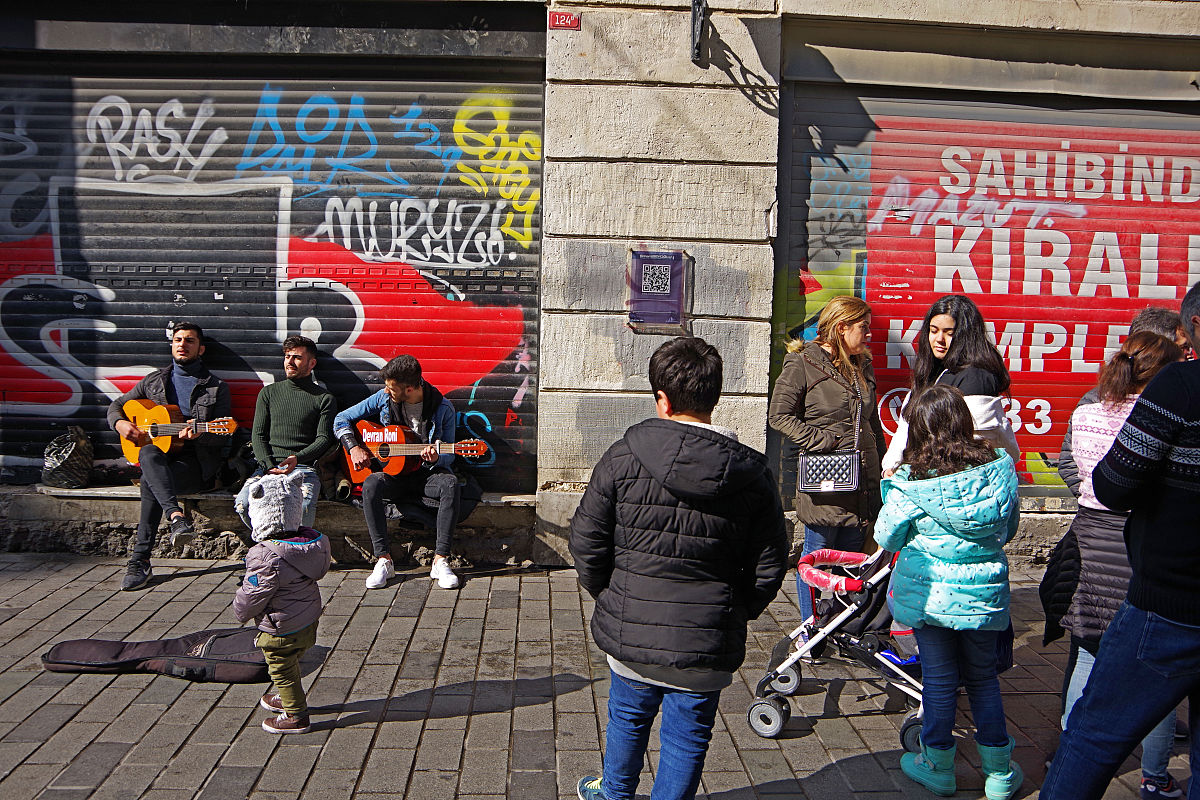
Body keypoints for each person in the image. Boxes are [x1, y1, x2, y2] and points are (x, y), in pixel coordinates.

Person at [570, 336, 788, 800]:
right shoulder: (751, 475)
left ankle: (613, 794)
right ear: (715, 396)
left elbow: (587, 542)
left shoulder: (622, 457)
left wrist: (614, 596)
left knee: (626, 721)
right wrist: (731, 611)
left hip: (632, 636)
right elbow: (769, 564)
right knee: (688, 739)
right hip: (705, 643)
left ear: (662, 400)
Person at [1042, 283, 1200, 800]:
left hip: (1168, 595)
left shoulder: (1180, 388)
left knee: (1101, 722)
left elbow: (1110, 483)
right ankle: (1156, 777)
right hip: (1143, 574)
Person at [874, 384, 1022, 800]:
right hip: (983, 596)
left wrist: (891, 493)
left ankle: (937, 766)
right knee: (983, 680)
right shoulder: (1000, 467)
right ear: (962, 420)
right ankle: (999, 774)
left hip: (931, 598)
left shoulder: (909, 481)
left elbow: (886, 535)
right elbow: (1007, 530)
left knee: (938, 682)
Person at [767, 295, 885, 628]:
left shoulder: (862, 364)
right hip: (826, 477)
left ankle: (838, 627)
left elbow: (870, 422)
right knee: (817, 558)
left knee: (852, 557)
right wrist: (824, 442)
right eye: (863, 328)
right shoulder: (803, 362)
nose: (868, 335)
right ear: (841, 327)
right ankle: (810, 629)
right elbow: (780, 416)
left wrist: (885, 460)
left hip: (862, 477)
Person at [108, 322, 231, 591]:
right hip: (159, 459)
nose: (182, 344)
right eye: (178, 339)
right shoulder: (154, 381)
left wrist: (201, 435)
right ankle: (176, 517)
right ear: (172, 344)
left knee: (152, 482)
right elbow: (116, 406)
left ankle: (139, 561)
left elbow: (225, 434)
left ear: (201, 349)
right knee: (150, 453)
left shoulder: (215, 388)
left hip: (196, 464)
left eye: (189, 340)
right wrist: (120, 424)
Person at [334, 354, 462, 590]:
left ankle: (440, 560)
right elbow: (341, 419)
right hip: (393, 473)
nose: (386, 390)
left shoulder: (442, 408)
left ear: (410, 388)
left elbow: (451, 453)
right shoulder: (383, 399)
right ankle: (383, 560)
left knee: (450, 484)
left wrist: (437, 456)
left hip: (426, 474)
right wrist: (353, 448)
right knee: (372, 483)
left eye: (391, 387)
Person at [233, 471, 331, 735]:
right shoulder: (311, 544)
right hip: (308, 622)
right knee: (293, 660)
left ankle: (296, 715)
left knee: (281, 667)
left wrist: (239, 609)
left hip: (281, 627)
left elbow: (252, 596)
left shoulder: (265, 555)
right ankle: (289, 696)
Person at [1058, 305, 1190, 492]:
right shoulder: (1096, 402)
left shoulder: (1181, 401)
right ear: (1154, 349)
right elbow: (1068, 464)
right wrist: (1099, 502)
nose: (1187, 355)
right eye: (1182, 348)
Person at [882, 294, 1018, 475]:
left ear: (966, 335)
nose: (939, 339)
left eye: (949, 333)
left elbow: (975, 446)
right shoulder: (932, 372)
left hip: (957, 486)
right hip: (922, 480)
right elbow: (905, 430)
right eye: (933, 330)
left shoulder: (976, 377)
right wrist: (891, 466)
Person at [234, 335, 335, 532]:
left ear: (311, 363)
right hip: (267, 468)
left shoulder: (324, 398)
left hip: (303, 468)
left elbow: (324, 438)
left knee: (303, 507)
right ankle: (272, 544)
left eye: (296, 357)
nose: (290, 361)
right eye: (287, 356)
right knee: (243, 504)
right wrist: (269, 466)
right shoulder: (269, 393)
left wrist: (297, 458)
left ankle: (298, 552)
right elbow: (258, 435)